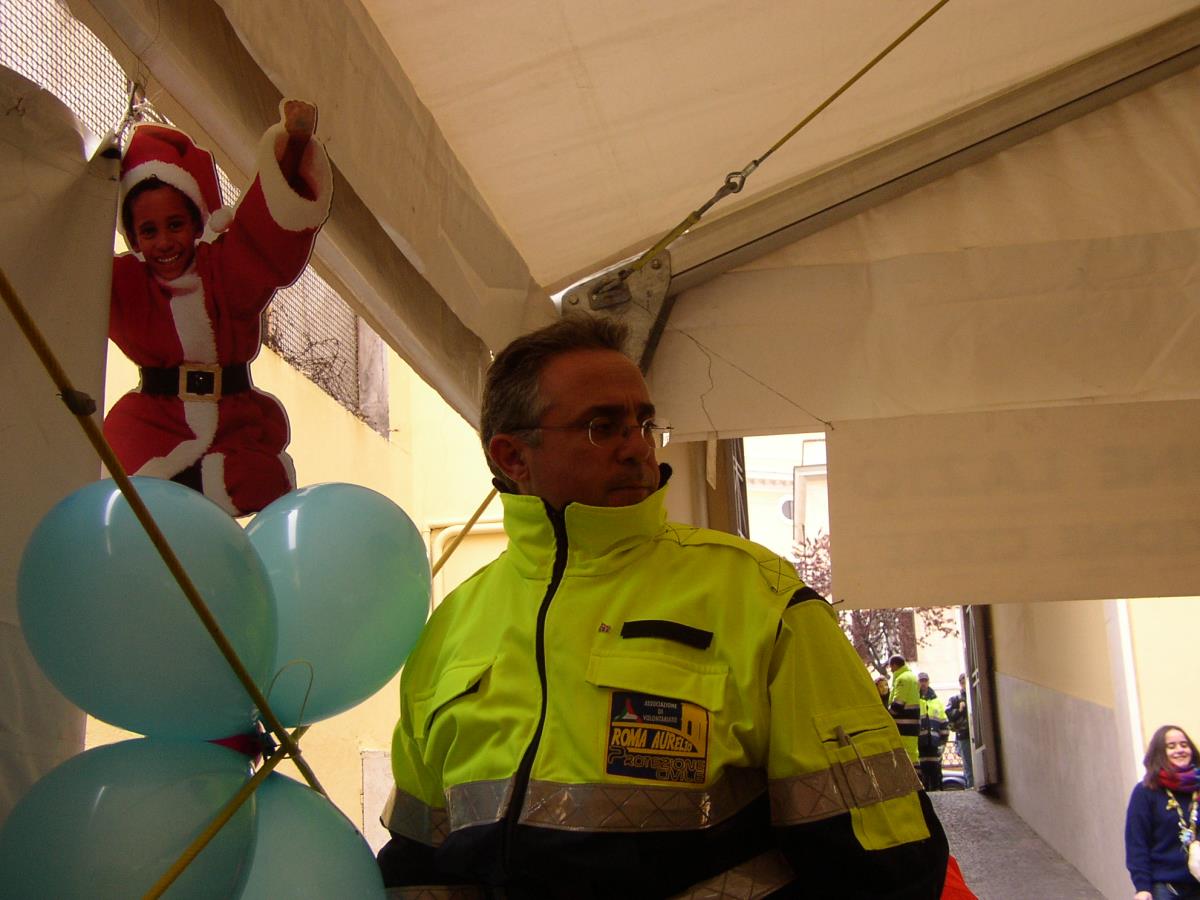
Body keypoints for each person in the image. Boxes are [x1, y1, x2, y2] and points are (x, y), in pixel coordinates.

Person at [377, 315, 961, 898]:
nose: (638, 447)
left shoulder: (757, 595)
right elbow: (418, 862)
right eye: (603, 427)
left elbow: (884, 861)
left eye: (645, 423)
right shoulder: (451, 627)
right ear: (512, 456)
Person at [105, 99, 332, 516]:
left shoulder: (225, 270)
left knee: (257, 480)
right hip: (154, 426)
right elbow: (69, 262)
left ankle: (192, 502)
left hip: (234, 422)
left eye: (175, 224)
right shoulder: (126, 284)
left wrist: (292, 151)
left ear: (197, 222)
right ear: (134, 238)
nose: (164, 242)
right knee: (127, 485)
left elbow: (264, 236)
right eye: (149, 231)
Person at [1125, 724, 1200, 900]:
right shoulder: (1145, 792)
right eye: (1171, 746)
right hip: (1166, 889)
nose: (1179, 750)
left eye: (1184, 745)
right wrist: (1142, 887)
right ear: (1160, 753)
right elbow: (1137, 842)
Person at [889, 654, 922, 770]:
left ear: (894, 665)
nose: (891, 670)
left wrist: (888, 716)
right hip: (913, 723)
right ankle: (917, 778)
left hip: (903, 723)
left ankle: (911, 779)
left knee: (904, 754)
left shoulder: (902, 679)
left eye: (891, 667)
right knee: (912, 753)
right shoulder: (912, 677)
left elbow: (898, 704)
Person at [917, 673, 948, 793]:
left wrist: (943, 743)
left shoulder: (936, 702)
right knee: (922, 774)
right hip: (920, 744)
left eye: (925, 681)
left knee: (936, 773)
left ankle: (937, 796)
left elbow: (944, 723)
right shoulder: (915, 700)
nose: (923, 683)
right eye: (921, 681)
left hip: (934, 744)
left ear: (928, 682)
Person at [945, 674, 973, 788]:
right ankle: (970, 787)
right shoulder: (955, 699)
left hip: (976, 735)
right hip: (963, 735)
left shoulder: (975, 694)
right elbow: (949, 714)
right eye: (963, 682)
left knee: (974, 764)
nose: (965, 684)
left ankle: (972, 786)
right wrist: (959, 710)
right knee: (968, 765)